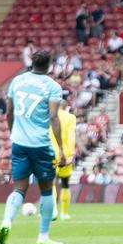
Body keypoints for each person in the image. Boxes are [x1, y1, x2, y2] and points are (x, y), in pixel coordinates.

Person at [0, 49, 65, 244]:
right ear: (49, 65)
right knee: (46, 191)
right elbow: (53, 117)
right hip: (41, 145)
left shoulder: (17, 81)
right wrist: (60, 148)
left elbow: (9, 112)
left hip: (19, 143)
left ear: (32, 63)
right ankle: (43, 237)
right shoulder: (52, 86)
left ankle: (6, 221)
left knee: (19, 188)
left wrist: (12, 132)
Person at [49, 91, 77, 221]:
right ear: (66, 107)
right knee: (65, 183)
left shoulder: (49, 116)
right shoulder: (70, 118)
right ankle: (64, 213)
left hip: (51, 152)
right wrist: (71, 154)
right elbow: (71, 136)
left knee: (51, 182)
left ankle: (53, 210)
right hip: (65, 152)